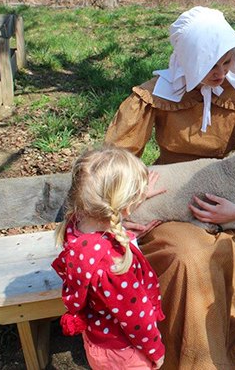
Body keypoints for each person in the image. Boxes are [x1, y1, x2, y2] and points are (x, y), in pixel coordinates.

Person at [103, 6, 235, 369]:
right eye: (212, 65)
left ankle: (224, 359)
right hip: (171, 206)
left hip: (230, 204)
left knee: (225, 258)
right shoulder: (156, 95)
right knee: (187, 261)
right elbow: (114, 160)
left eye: (228, 62)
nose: (221, 73)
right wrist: (133, 194)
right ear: (189, 59)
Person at [51, 147, 166, 370]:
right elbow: (136, 318)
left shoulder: (75, 226)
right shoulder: (112, 265)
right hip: (126, 352)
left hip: (97, 341)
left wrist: (130, 201)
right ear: (124, 207)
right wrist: (156, 351)